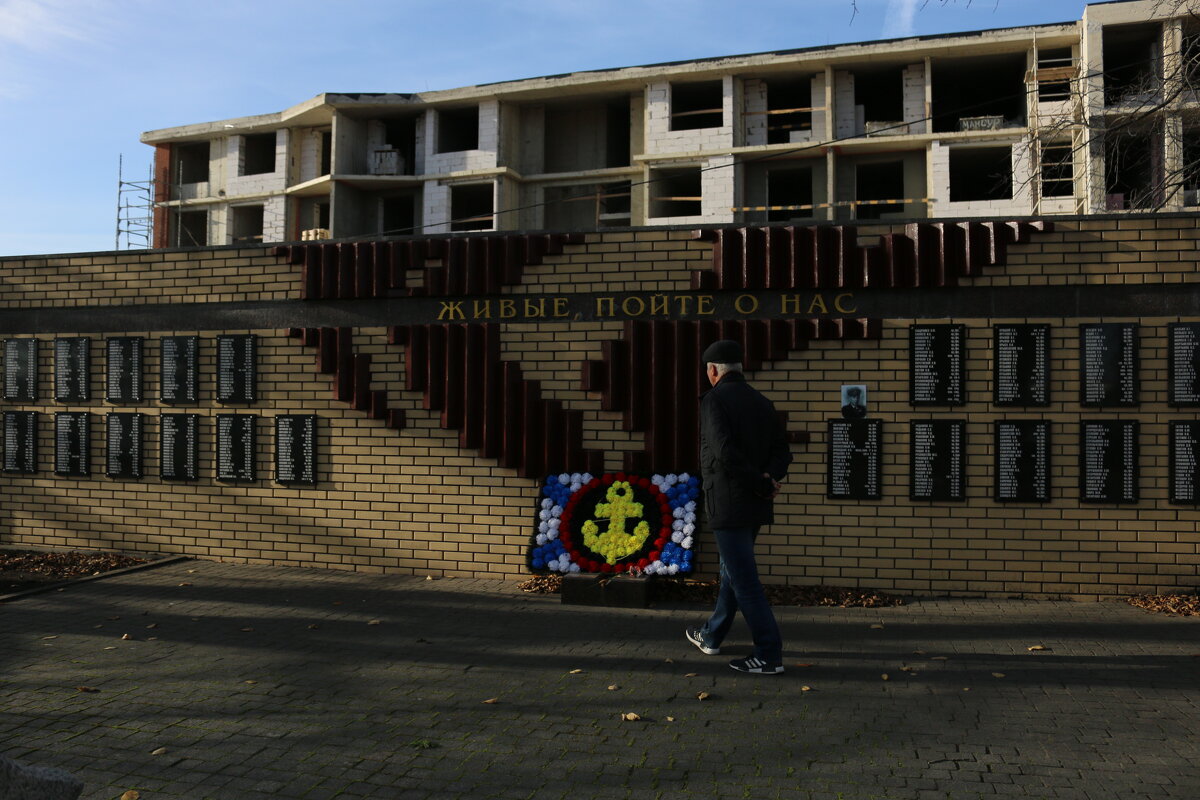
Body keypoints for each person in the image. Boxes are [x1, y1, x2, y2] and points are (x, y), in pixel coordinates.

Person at [686, 339, 792, 675]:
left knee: (744, 579)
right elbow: (782, 452)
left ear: (713, 371)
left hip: (729, 505)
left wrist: (761, 482)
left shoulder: (714, 400)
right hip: (755, 505)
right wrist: (768, 479)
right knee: (731, 572)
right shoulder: (762, 402)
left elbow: (724, 452)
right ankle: (713, 635)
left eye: (708, 372)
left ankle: (769, 655)